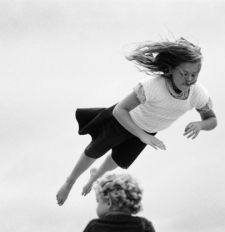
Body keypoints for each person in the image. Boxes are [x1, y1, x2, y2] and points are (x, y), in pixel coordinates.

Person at [56, 37, 217, 205]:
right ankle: (70, 182)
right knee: (95, 150)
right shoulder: (152, 86)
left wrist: (201, 125)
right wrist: (142, 136)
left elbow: (212, 120)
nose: (189, 79)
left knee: (118, 161)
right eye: (184, 74)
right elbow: (120, 110)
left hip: (147, 132)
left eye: (194, 74)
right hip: (122, 122)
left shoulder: (198, 94)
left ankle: (94, 177)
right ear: (170, 70)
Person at [74, 172, 161, 232]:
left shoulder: (94, 227)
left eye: (98, 201)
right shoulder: (144, 226)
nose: (97, 207)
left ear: (108, 201)